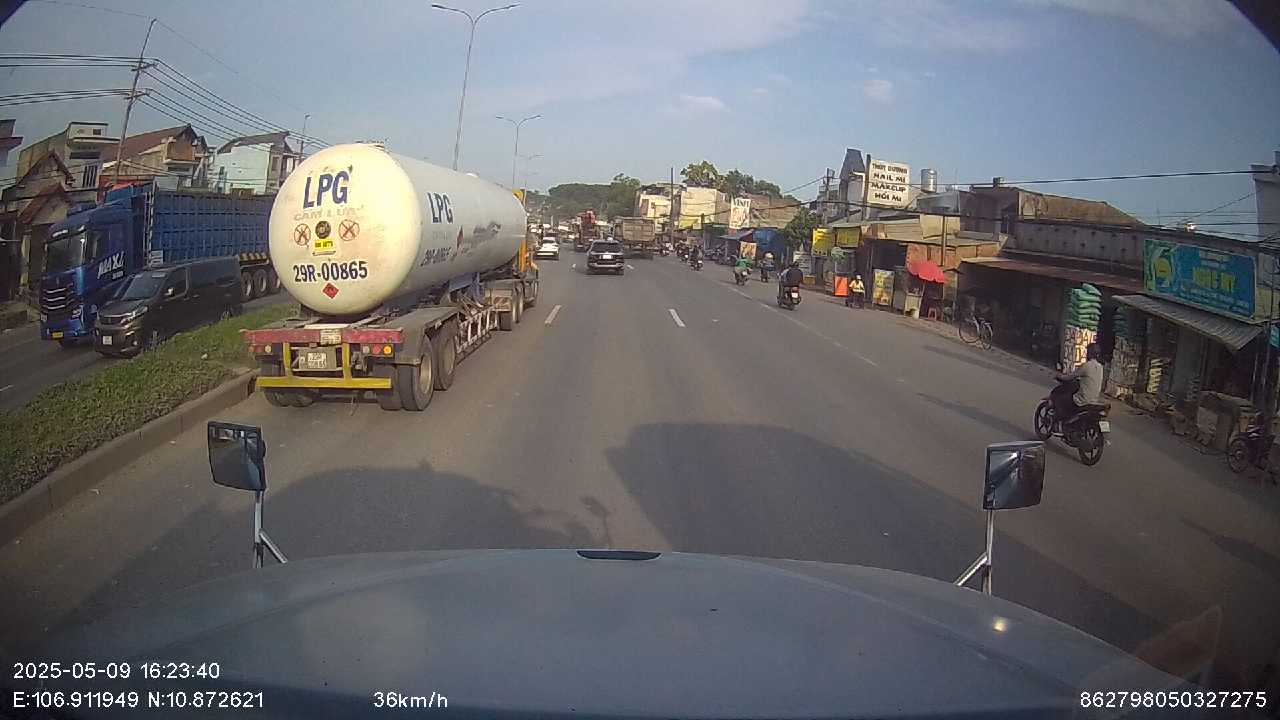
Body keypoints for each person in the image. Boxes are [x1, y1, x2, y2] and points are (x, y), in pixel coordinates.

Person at [1053, 343, 1104, 424]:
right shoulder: (1100, 367)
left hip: (1082, 401)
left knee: (1061, 400)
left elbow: (1069, 377)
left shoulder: (1087, 366)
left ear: (1090, 353)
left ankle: (1061, 422)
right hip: (1094, 401)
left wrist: (1059, 376)